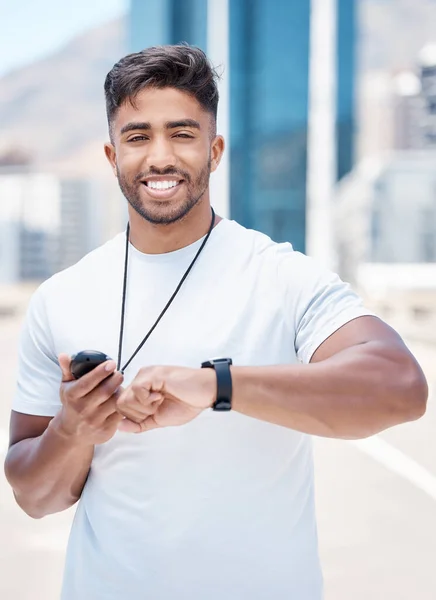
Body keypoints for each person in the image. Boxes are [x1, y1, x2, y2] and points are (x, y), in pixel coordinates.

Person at [4, 44, 428, 600]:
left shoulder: (281, 276)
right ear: (112, 156)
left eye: (182, 134)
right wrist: (75, 429)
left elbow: (401, 387)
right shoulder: (61, 298)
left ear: (215, 150)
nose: (159, 157)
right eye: (138, 137)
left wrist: (217, 385)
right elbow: (36, 497)